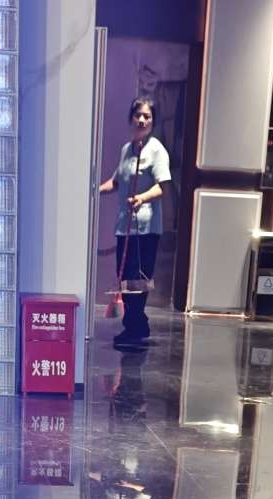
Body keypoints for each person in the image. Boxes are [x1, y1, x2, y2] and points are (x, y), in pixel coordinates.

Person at [99, 97, 171, 351]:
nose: (141, 120)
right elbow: (116, 181)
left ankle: (136, 326)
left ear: (153, 121)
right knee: (125, 276)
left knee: (138, 279)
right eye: (138, 115)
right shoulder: (127, 149)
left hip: (145, 228)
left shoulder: (157, 150)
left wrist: (142, 198)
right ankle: (135, 325)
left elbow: (163, 187)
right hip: (125, 226)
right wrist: (94, 190)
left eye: (147, 116)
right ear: (131, 118)